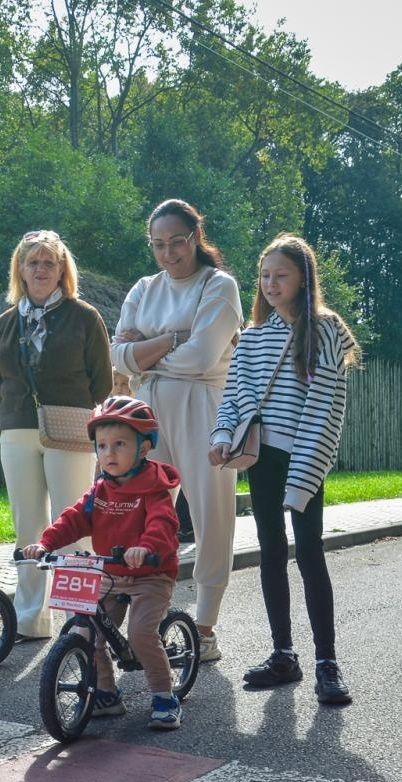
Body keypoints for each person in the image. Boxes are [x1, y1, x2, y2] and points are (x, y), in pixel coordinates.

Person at [208, 233, 358, 704]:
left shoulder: (327, 330)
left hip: (306, 454)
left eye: (281, 275)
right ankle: (283, 654)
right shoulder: (252, 338)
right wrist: (220, 438)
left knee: (310, 552)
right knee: (271, 551)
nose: (271, 284)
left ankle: (327, 663)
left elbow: (325, 408)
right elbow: (234, 397)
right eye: (265, 276)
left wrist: (303, 476)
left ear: (303, 278)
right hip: (262, 456)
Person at [113, 199, 243, 664]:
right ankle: (148, 613)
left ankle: (204, 624)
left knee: (211, 512)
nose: (168, 253)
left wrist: (146, 349)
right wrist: (174, 339)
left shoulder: (219, 285)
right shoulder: (144, 288)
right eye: (158, 244)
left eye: (177, 242)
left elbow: (202, 358)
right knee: (145, 511)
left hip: (205, 408)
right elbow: (116, 356)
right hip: (144, 410)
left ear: (196, 236)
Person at [22, 397, 185, 729]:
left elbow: (162, 524)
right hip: (111, 573)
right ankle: (107, 694)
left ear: (143, 448)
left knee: (141, 634)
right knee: (91, 631)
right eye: (102, 445)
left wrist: (145, 547)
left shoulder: (153, 489)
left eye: (120, 444)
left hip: (151, 574)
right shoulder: (99, 491)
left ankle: (165, 696)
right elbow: (72, 520)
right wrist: (45, 543)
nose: (109, 453)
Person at [0, 230, 113, 641]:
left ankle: (78, 617)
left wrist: (69, 408)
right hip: (17, 429)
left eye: (49, 263)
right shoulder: (4, 324)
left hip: (72, 427)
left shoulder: (84, 316)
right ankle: (30, 618)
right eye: (33, 262)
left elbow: (102, 382)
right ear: (20, 270)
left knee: (73, 524)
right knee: (28, 525)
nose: (41, 269)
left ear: (62, 270)